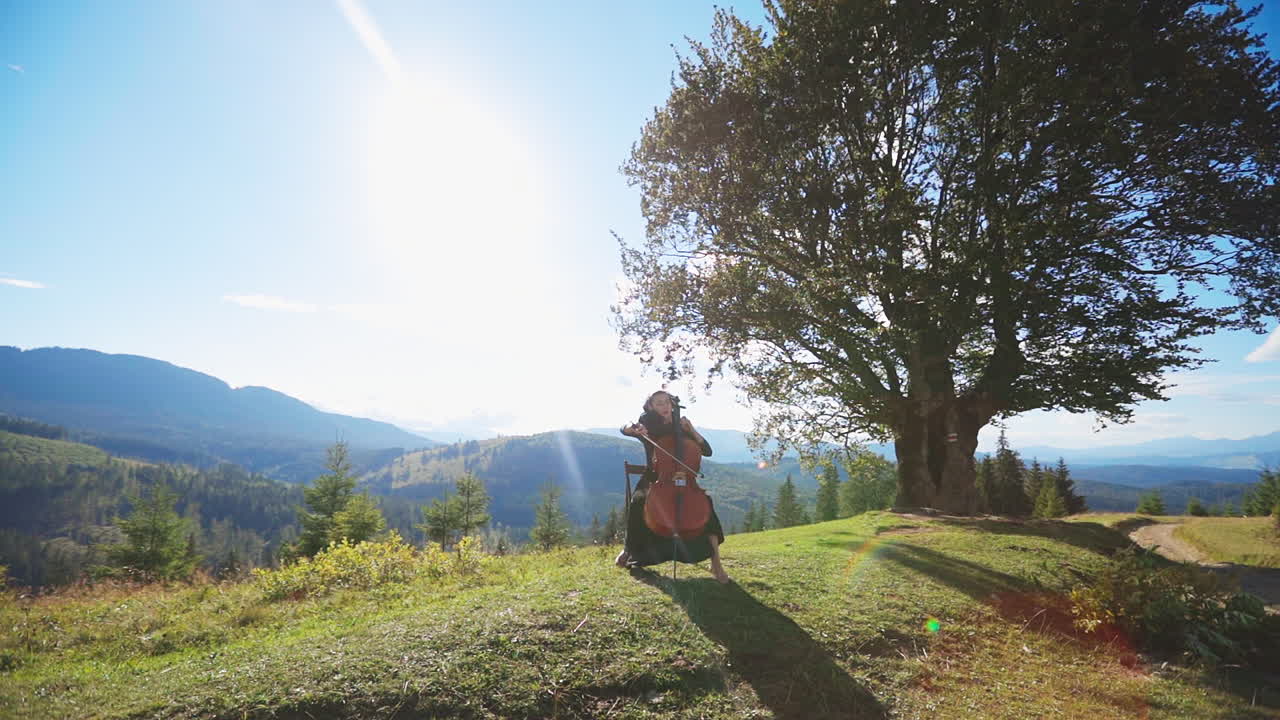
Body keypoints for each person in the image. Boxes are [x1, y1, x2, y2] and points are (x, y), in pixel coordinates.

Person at [616, 390, 730, 583]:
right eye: (659, 403)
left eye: (667, 402)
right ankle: (628, 549)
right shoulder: (648, 426)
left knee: (707, 507)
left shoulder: (683, 427)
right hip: (654, 479)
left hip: (686, 482)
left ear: (673, 405)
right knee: (638, 503)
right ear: (651, 407)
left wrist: (692, 430)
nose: (664, 406)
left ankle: (716, 564)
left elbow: (707, 451)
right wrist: (632, 428)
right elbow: (624, 428)